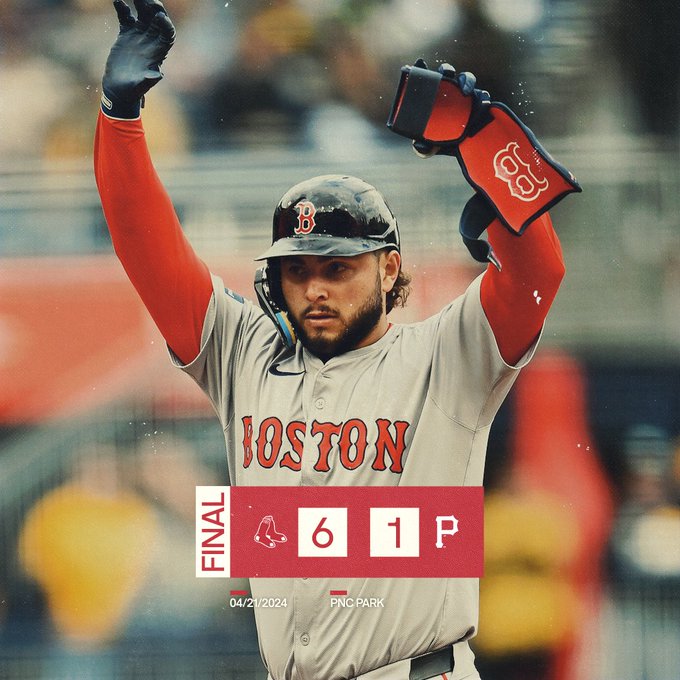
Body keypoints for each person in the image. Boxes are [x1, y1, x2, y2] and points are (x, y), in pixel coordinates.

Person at [94, 2, 568, 678]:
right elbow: (147, 251)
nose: (315, 287)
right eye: (298, 268)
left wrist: (486, 144)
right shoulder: (244, 354)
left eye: (338, 267)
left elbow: (539, 276)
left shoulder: (446, 357)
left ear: (389, 268)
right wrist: (119, 122)